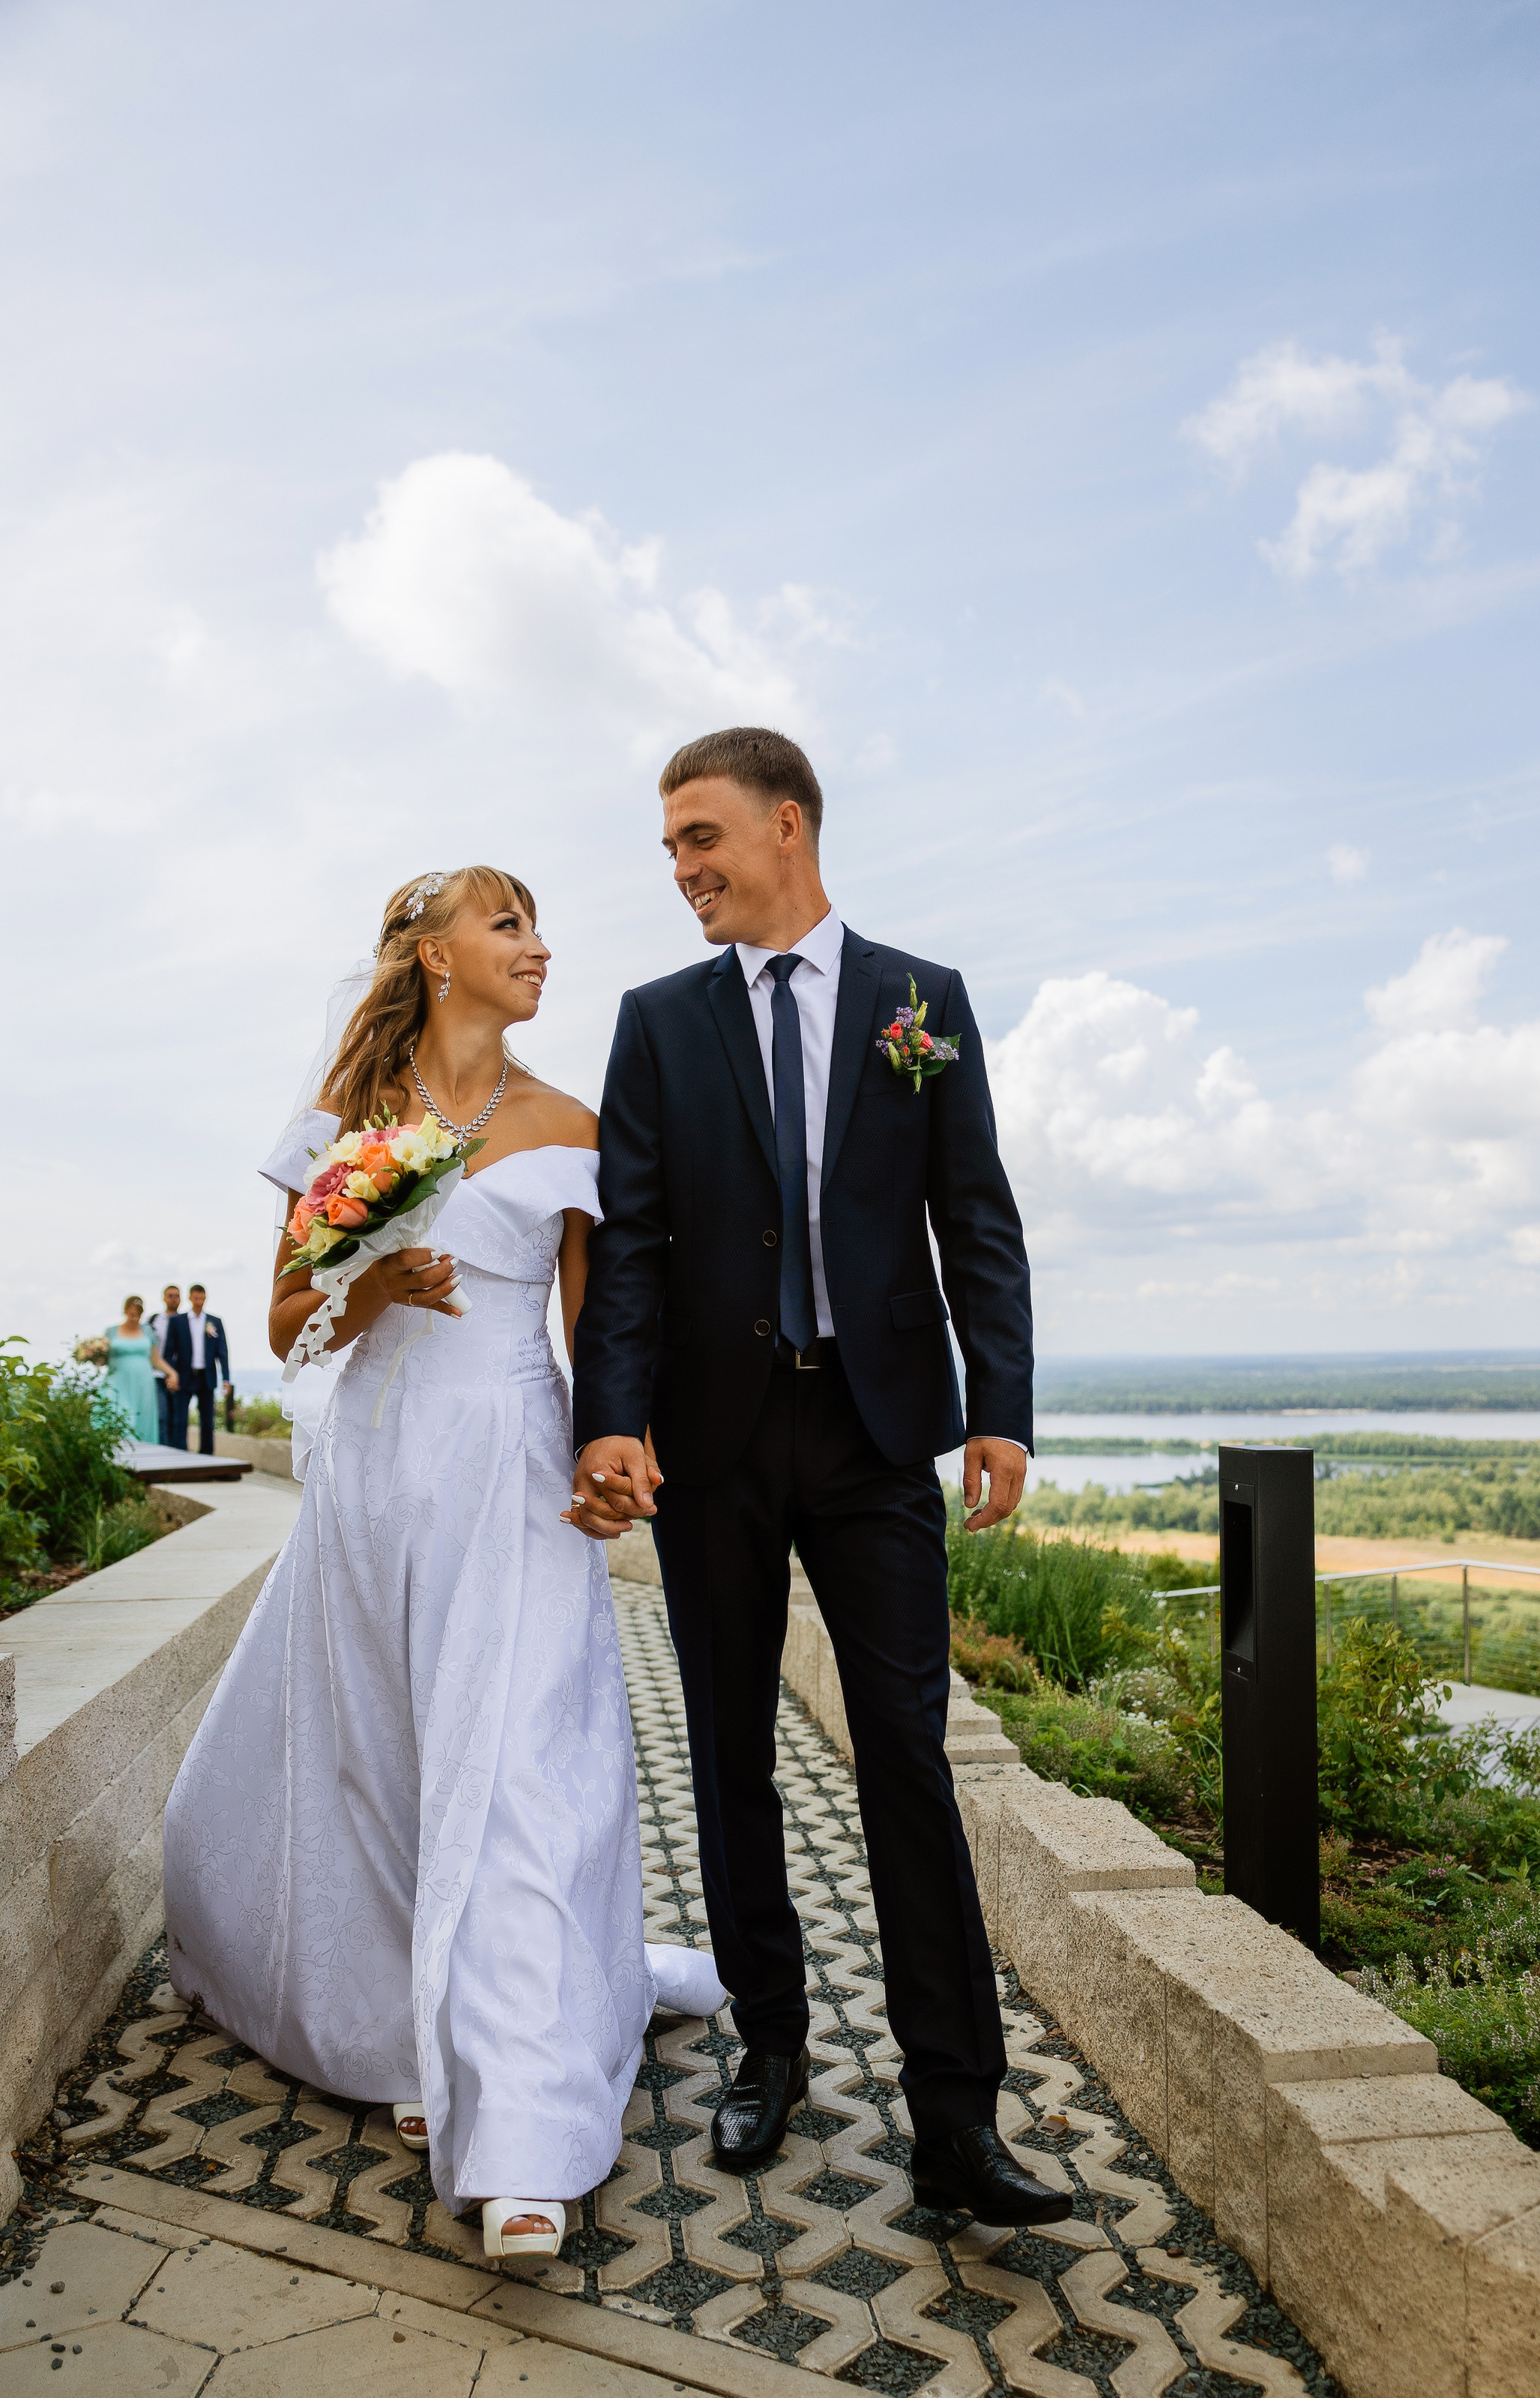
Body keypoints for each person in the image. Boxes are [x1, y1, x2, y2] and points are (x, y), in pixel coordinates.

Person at [163, 867, 725, 2265]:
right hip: (374, 1465)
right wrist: (369, 1287)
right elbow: (287, 1315)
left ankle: (527, 2134)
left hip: (513, 1469)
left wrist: (617, 1448)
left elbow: (604, 1335)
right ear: (431, 955)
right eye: (508, 925)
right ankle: (416, 2032)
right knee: (387, 1754)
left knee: (528, 1766)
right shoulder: (341, 1128)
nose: (539, 946)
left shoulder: (570, 1128)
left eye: (536, 925)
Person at [569, 728, 1073, 2229]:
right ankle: (770, 2042)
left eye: (700, 838)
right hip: (712, 1443)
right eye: (668, 848)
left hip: (874, 1436)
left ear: (787, 824)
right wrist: (613, 1414)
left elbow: (973, 1212)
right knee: (724, 1754)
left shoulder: (924, 1002)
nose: (681, 870)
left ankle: (956, 2120)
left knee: (904, 1764)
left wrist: (1003, 1406)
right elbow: (636, 1243)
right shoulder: (657, 1023)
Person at [163, 1284, 230, 1453]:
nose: (199, 1302)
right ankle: (179, 1454)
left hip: (206, 1377)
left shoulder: (215, 1322)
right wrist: (171, 1375)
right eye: (196, 1298)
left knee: (207, 1421)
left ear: (205, 1299)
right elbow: (169, 1351)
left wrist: (226, 1379)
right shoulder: (178, 1321)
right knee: (180, 1420)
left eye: (202, 1298)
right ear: (190, 1298)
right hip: (184, 1376)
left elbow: (223, 1352)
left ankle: (207, 1456)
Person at [103, 1295, 178, 1444]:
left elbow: (155, 1360)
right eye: (132, 1314)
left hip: (143, 1385)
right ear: (125, 1311)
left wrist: (172, 1373)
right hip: (118, 1383)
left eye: (138, 1314)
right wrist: (91, 1353)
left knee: (141, 1421)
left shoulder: (147, 1331)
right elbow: (101, 1360)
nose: (135, 1317)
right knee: (121, 1418)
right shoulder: (111, 1332)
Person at [149, 1284, 184, 1447]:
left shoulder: (184, 1321)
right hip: (156, 1374)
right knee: (161, 1415)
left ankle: (176, 1450)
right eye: (170, 1295)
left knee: (176, 1417)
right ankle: (162, 1447)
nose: (173, 1299)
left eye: (176, 1296)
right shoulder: (154, 1320)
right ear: (164, 1298)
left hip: (178, 1375)